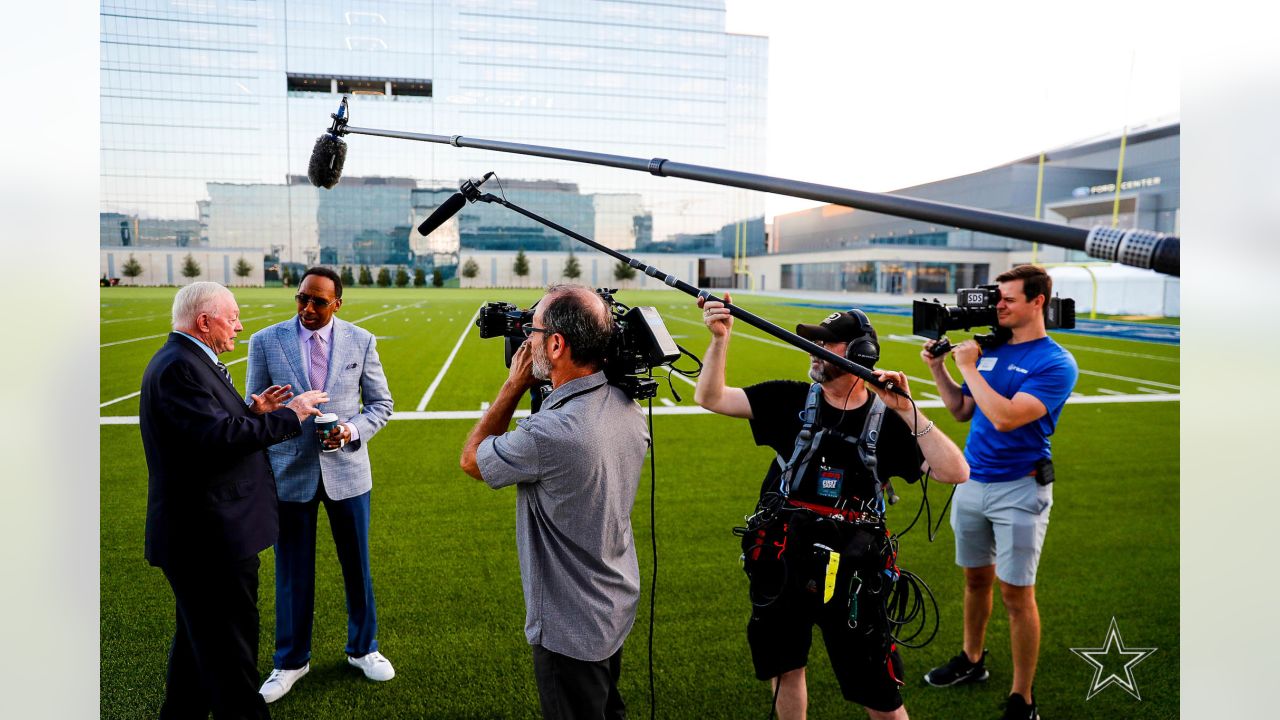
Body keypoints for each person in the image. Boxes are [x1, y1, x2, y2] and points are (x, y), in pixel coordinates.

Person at [695, 294, 969, 720]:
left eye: (826, 344)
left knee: (879, 691)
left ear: (861, 354)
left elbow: (955, 472)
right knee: (786, 669)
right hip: (784, 558)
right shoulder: (789, 398)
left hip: (855, 573)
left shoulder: (891, 417)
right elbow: (712, 397)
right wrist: (719, 338)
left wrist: (908, 410)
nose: (813, 350)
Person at [459, 285, 650, 720]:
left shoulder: (550, 435)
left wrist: (513, 384)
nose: (526, 338)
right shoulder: (625, 405)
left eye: (534, 329)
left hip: (571, 626)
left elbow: (472, 460)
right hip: (613, 602)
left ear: (558, 344)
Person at [141, 281, 327, 719]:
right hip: (209, 540)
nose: (240, 327)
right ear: (204, 322)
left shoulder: (187, 360)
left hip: (207, 535)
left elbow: (210, 431)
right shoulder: (179, 367)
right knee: (232, 664)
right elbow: (217, 440)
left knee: (194, 656)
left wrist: (254, 414)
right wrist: (290, 416)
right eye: (233, 317)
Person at [919, 265, 1078, 720]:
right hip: (972, 481)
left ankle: (1022, 698)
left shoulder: (1055, 361)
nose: (998, 306)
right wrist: (941, 371)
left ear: (1037, 301)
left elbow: (1007, 417)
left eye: (1007, 298)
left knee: (1016, 595)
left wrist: (968, 366)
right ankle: (972, 660)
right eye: (997, 298)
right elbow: (962, 411)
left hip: (1019, 490)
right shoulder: (990, 350)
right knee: (974, 580)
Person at [245, 266, 395, 702]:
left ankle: (363, 649)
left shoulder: (361, 341)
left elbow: (381, 404)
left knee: (357, 566)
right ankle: (291, 661)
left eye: (319, 301)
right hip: (289, 473)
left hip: (348, 472)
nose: (308, 308)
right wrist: (269, 410)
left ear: (337, 304)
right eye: (302, 298)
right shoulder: (265, 341)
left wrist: (351, 431)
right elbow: (253, 410)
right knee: (292, 572)